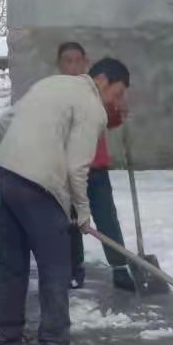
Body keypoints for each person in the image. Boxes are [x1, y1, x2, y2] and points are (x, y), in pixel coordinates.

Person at [0, 57, 130, 345]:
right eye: (117, 93)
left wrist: (17, 159)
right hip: (38, 186)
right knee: (56, 266)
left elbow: (4, 123)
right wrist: (83, 212)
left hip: (1, 176)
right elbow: (78, 167)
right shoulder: (91, 106)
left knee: (12, 263)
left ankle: (4, 335)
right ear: (102, 81)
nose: (114, 102)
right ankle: (55, 341)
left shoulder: (49, 84)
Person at [57, 41, 135, 292]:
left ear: (86, 63)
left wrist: (119, 112)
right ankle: (73, 267)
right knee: (71, 221)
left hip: (97, 167)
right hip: (67, 168)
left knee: (106, 217)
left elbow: (108, 121)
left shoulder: (97, 91)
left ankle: (119, 267)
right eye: (67, 61)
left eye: (77, 60)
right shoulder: (57, 93)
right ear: (60, 65)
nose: (72, 65)